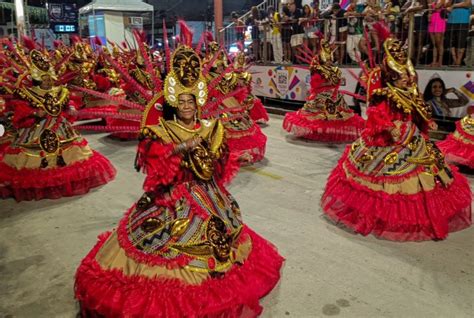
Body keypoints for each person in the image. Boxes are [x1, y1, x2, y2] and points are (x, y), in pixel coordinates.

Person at [74, 28, 283, 316]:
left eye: (191, 101)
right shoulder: (161, 130)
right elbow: (156, 168)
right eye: (181, 101)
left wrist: (214, 149)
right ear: (174, 103)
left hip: (208, 195)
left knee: (222, 232)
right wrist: (183, 147)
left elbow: (219, 168)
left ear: (199, 102)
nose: (187, 106)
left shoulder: (210, 127)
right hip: (174, 197)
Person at [321, 34, 472, 241]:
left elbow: (417, 108)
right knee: (382, 176)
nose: (406, 79)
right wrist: (388, 127)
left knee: (425, 169)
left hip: (412, 136)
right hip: (386, 137)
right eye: (401, 77)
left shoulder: (409, 86)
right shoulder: (382, 85)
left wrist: (426, 122)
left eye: (407, 77)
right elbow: (374, 111)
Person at [0, 44, 116, 201]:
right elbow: (20, 111)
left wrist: (71, 107)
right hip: (36, 130)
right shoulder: (27, 93)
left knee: (71, 154)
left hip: (60, 127)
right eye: (44, 79)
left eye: (50, 79)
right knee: (36, 158)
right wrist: (36, 113)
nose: (48, 82)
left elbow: (68, 103)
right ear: (36, 79)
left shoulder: (59, 90)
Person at [283, 39, 365, 142]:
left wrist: (332, 82)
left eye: (330, 60)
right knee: (317, 116)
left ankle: (326, 132)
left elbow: (337, 83)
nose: (329, 62)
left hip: (333, 95)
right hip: (322, 96)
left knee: (337, 116)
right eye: (328, 60)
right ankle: (318, 131)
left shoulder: (334, 70)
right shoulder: (319, 70)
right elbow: (315, 83)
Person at [446, 0, 471, 66]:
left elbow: (467, 4)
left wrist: (454, 6)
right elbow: (446, 5)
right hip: (451, 20)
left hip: (463, 20)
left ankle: (459, 60)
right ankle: (455, 60)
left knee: (461, 42)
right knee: (451, 42)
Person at [428, 0, 447, 66]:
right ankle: (434, 61)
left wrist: (431, 7)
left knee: (439, 42)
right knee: (434, 44)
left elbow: (436, 7)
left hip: (439, 19)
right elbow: (430, 9)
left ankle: (440, 61)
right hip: (432, 20)